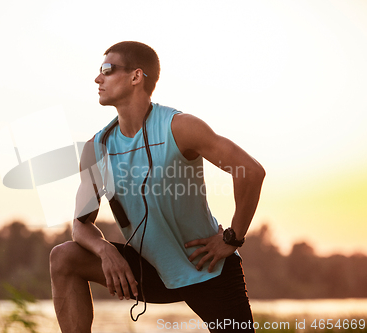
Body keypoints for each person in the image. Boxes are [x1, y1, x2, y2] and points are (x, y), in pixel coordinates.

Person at [50, 41, 265, 333]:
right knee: (64, 256)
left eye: (107, 70)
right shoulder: (96, 148)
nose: (98, 78)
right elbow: (80, 226)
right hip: (144, 270)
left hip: (205, 266)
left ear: (136, 77)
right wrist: (104, 250)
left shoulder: (180, 127)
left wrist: (232, 238)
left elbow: (250, 172)